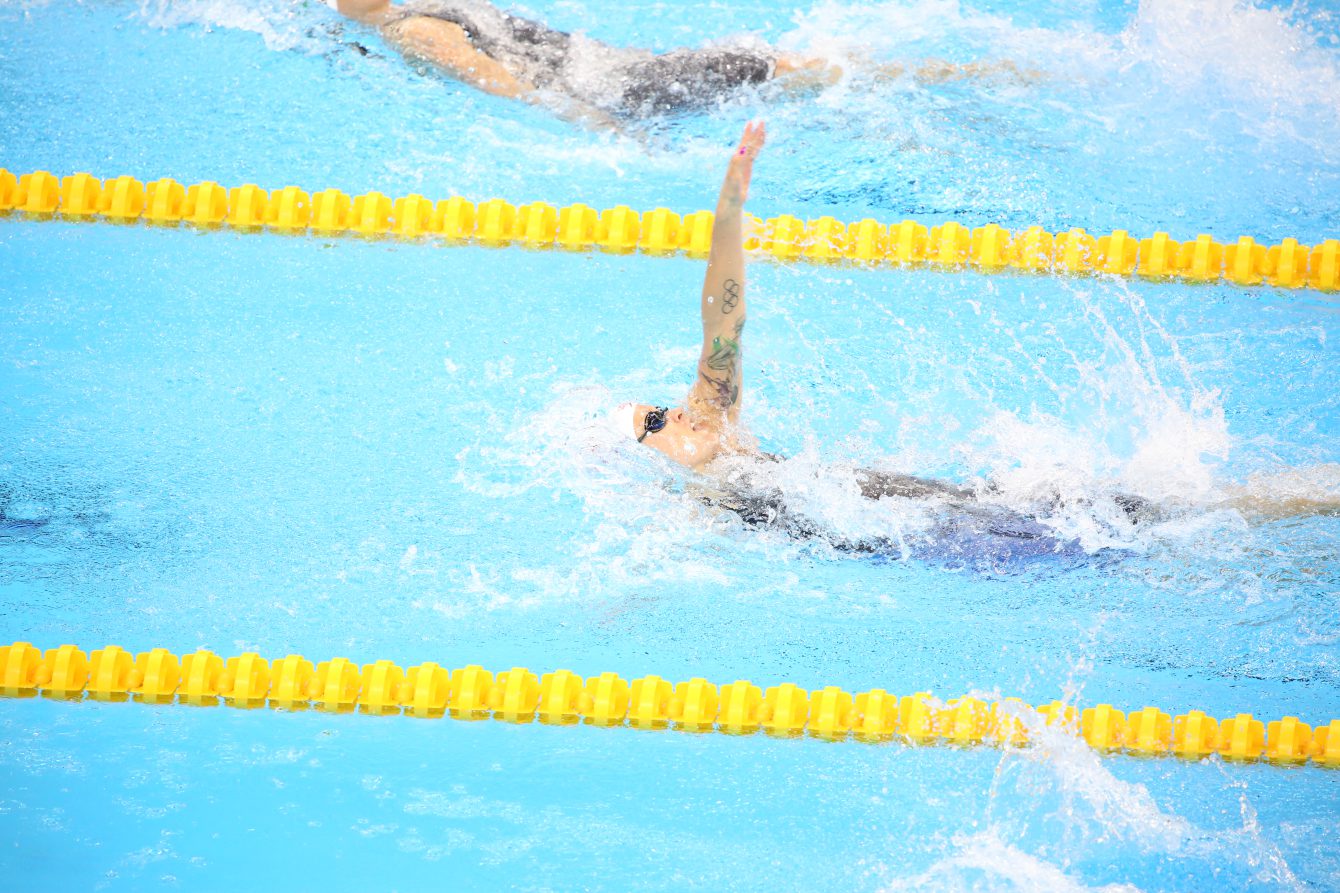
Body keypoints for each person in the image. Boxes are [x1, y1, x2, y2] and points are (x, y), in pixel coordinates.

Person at [334, 0, 1029, 128]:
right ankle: (981, 75)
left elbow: (519, 81)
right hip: (626, 77)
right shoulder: (422, 19)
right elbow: (521, 78)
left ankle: (976, 76)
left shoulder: (412, 22)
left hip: (629, 81)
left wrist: (604, 121)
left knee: (803, 74)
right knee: (795, 71)